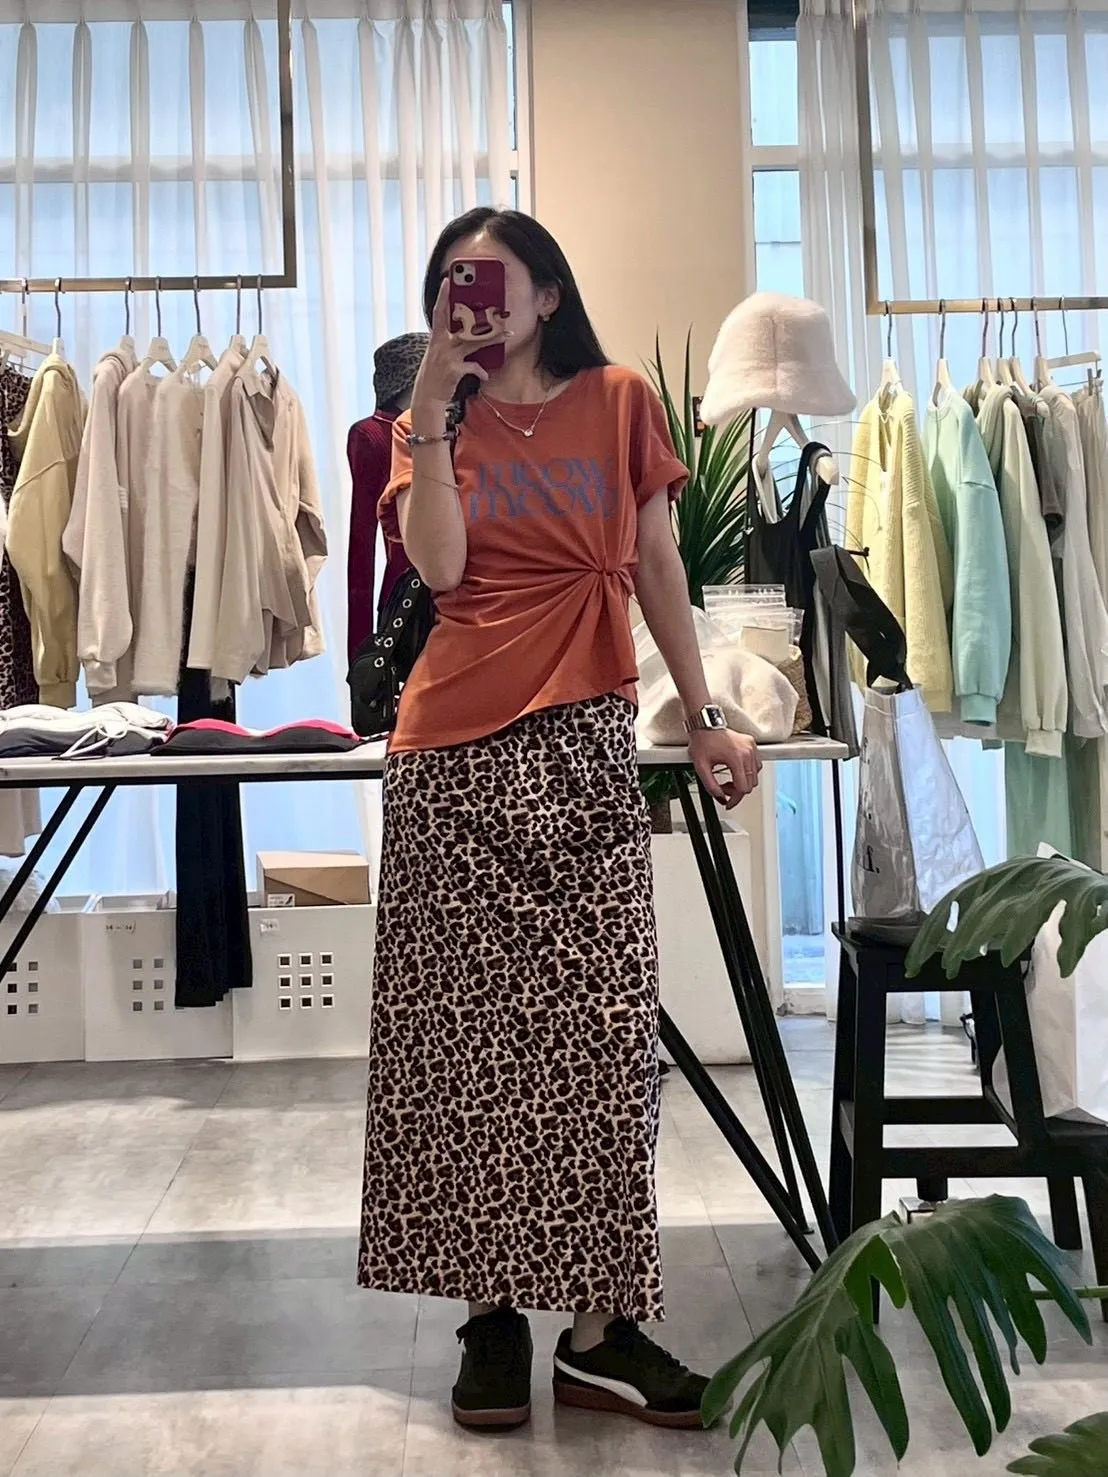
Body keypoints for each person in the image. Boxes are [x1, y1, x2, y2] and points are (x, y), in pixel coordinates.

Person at [356, 207, 761, 1434]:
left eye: (490, 280)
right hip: (451, 757)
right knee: (460, 1046)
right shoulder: (430, 418)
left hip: (583, 745)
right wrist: (433, 404)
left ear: (545, 294)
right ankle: (489, 1315)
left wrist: (705, 713)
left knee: (600, 1042)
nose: (468, 299)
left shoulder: (620, 399)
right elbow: (438, 570)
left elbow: (657, 565)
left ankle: (599, 1331)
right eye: (450, 282)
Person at [345, 331, 429, 664]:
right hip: (406, 594)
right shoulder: (371, 435)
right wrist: (359, 651)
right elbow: (361, 539)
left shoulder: (451, 427)